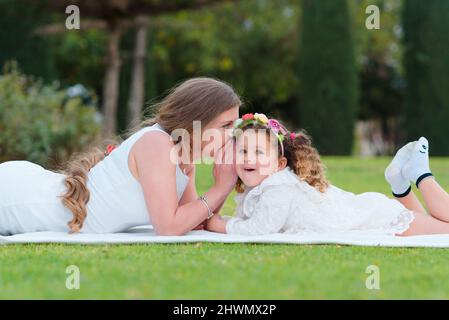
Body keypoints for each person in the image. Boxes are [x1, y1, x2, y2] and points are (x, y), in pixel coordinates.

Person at [0, 77, 240, 236]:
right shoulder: (157, 144)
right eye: (226, 125)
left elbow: (195, 221)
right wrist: (220, 187)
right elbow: (169, 227)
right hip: (22, 201)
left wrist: (226, 181)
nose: (232, 134)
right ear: (197, 120)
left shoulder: (186, 157)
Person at [205, 112, 449, 236]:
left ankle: (420, 175)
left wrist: (220, 225)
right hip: (366, 211)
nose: (248, 157)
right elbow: (252, 222)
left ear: (279, 164)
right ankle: (399, 184)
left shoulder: (277, 187)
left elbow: (261, 228)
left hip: (374, 219)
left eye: (258, 152)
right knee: (433, 226)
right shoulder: (263, 186)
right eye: (243, 150)